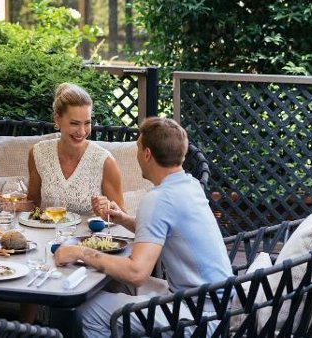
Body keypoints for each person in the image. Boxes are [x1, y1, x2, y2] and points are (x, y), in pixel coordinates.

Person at [54, 117, 233, 337]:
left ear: (147, 154)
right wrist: (122, 219)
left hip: (198, 319)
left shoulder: (158, 199)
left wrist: (80, 252)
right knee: (112, 285)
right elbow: (164, 230)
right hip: (218, 306)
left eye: (138, 148)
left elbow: (136, 272)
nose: (137, 155)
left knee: (88, 310)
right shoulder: (189, 184)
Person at [27, 82, 125, 215]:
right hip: (48, 229)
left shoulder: (105, 161)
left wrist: (107, 209)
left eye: (87, 123)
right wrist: (12, 204)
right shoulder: (39, 153)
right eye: (74, 123)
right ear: (57, 119)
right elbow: (33, 205)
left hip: (89, 230)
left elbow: (122, 217)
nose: (82, 131)